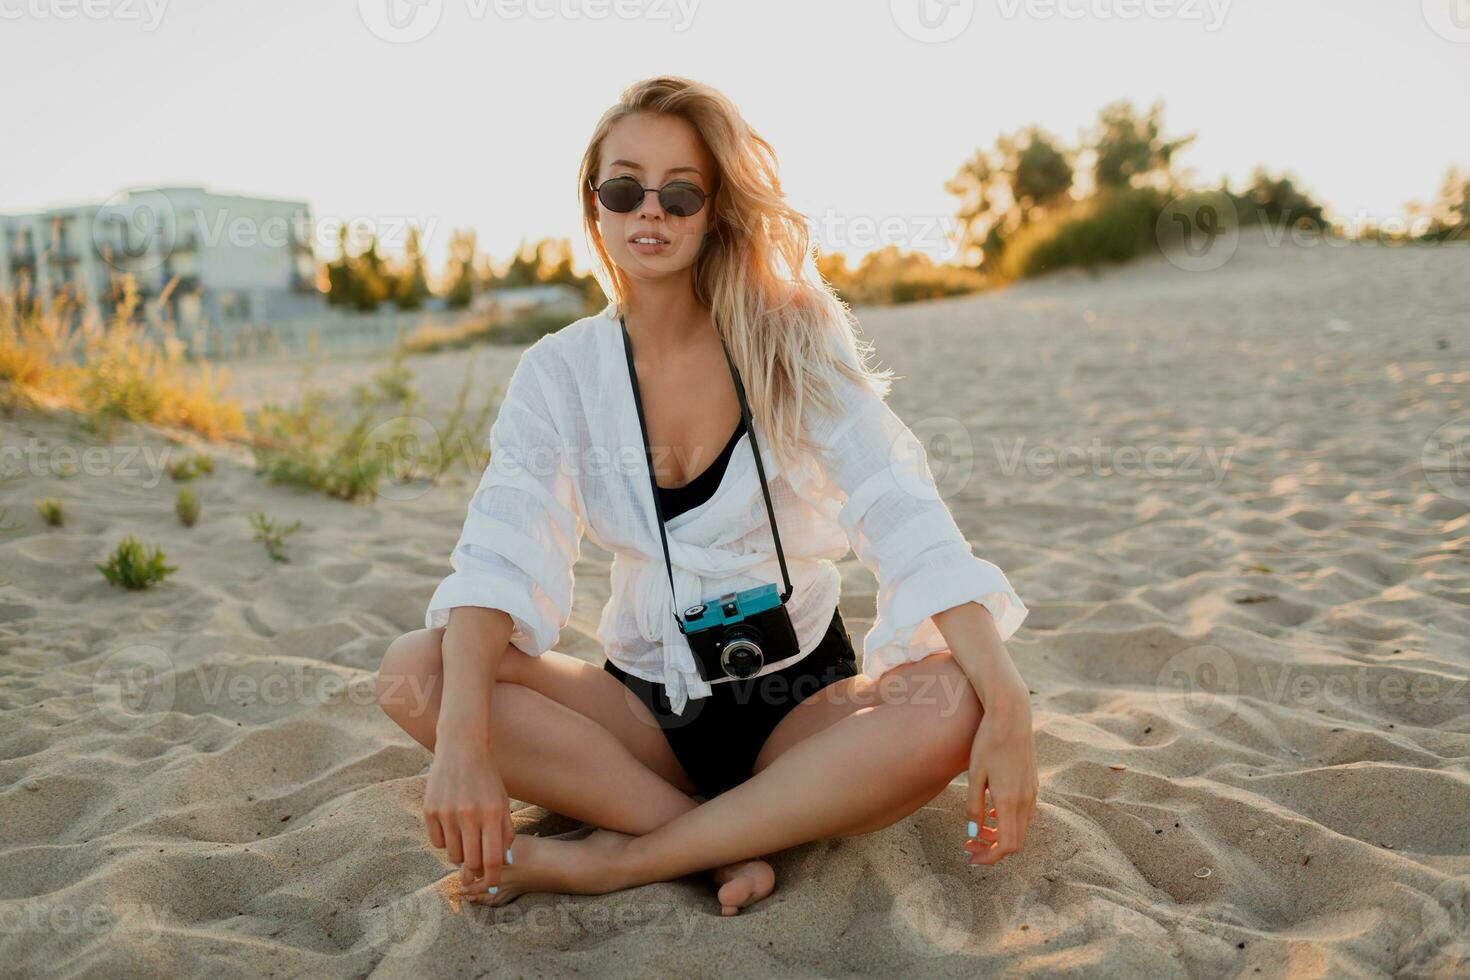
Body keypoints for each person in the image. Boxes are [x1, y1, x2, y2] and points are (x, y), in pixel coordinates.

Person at [377, 75, 1036, 917]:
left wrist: (1009, 701)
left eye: (680, 193)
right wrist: (463, 738)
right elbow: (501, 548)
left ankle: (623, 861)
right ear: (595, 206)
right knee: (415, 673)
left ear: (716, 207)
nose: (650, 210)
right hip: (643, 716)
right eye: (625, 188)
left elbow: (898, 506)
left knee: (956, 697)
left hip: (799, 707)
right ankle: (716, 839)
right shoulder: (560, 371)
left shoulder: (790, 328)